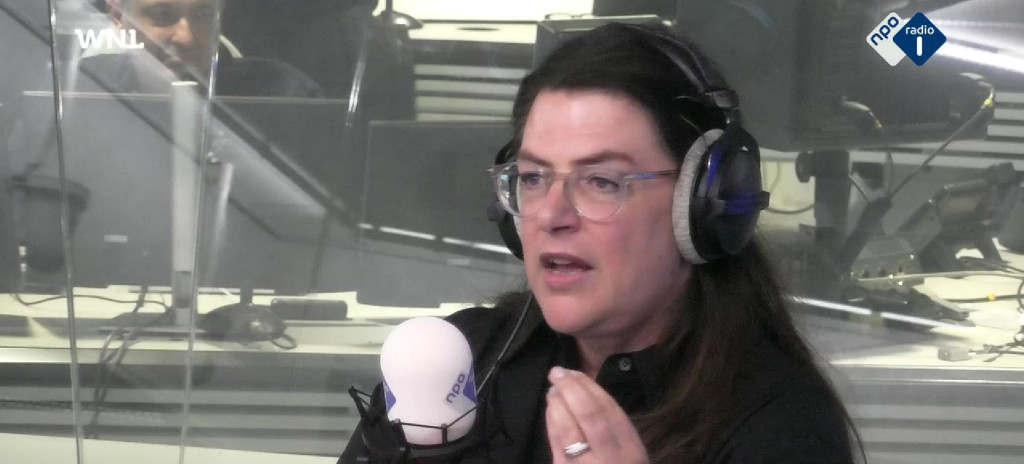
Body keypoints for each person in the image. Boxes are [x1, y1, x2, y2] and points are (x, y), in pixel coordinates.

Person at [339, 23, 860, 464]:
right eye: (533, 177)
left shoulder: (783, 427)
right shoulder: (462, 360)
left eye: (602, 181)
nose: (550, 215)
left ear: (703, 204)